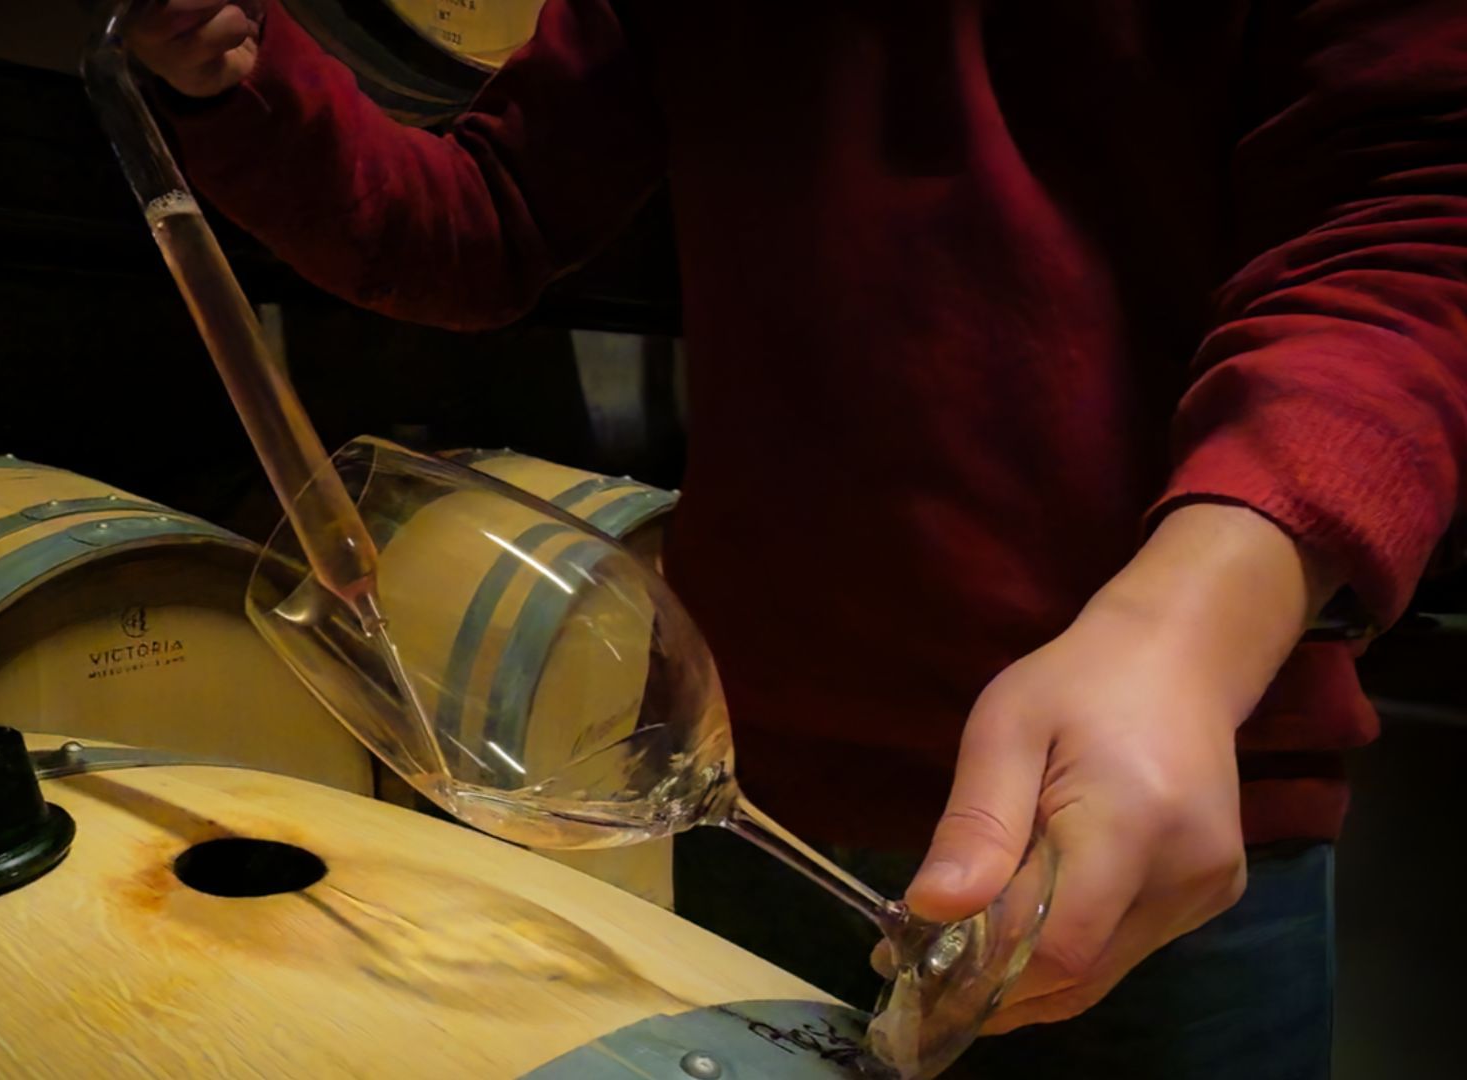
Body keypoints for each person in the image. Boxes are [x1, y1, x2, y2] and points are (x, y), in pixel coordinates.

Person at [130, 2, 1467, 1075]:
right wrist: (231, 79)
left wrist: (1183, 639)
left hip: (1157, 820)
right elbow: (489, 224)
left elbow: (1410, 221)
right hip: (760, 785)